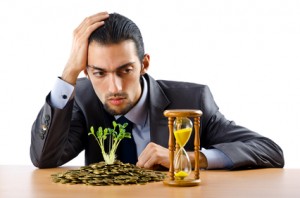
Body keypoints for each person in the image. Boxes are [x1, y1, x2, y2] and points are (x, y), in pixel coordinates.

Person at [30, 11, 284, 170]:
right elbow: (44, 159)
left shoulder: (191, 100)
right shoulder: (83, 99)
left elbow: (269, 150)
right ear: (86, 72)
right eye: (99, 73)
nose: (115, 87)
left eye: (125, 70)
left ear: (144, 64)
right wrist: (68, 74)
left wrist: (189, 158)